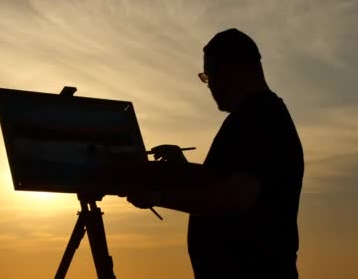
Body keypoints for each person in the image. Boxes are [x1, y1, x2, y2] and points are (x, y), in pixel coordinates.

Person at [127, 28, 304, 278]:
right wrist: (184, 170)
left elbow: (236, 196)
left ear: (232, 72)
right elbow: (227, 178)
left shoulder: (259, 118)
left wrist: (157, 196)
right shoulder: (258, 116)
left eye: (210, 76)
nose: (209, 86)